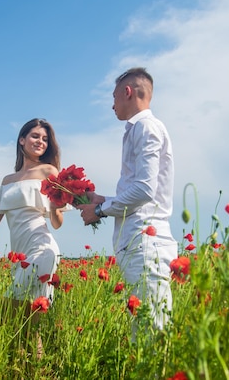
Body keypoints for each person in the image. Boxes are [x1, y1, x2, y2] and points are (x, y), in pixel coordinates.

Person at [77, 67, 177, 333]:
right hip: (138, 241)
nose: (112, 105)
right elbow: (142, 192)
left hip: (146, 242)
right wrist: (103, 199)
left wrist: (99, 210)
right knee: (143, 328)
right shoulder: (139, 129)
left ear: (127, 92)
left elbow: (145, 190)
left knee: (151, 331)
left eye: (113, 97)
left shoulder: (145, 127)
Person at [0, 118, 65, 357]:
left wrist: (56, 205)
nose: (40, 142)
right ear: (22, 140)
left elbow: (57, 222)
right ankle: (30, 370)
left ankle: (14, 364)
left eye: (45, 139)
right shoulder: (7, 181)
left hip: (43, 248)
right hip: (19, 255)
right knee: (28, 326)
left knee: (7, 315)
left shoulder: (49, 171)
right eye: (35, 136)